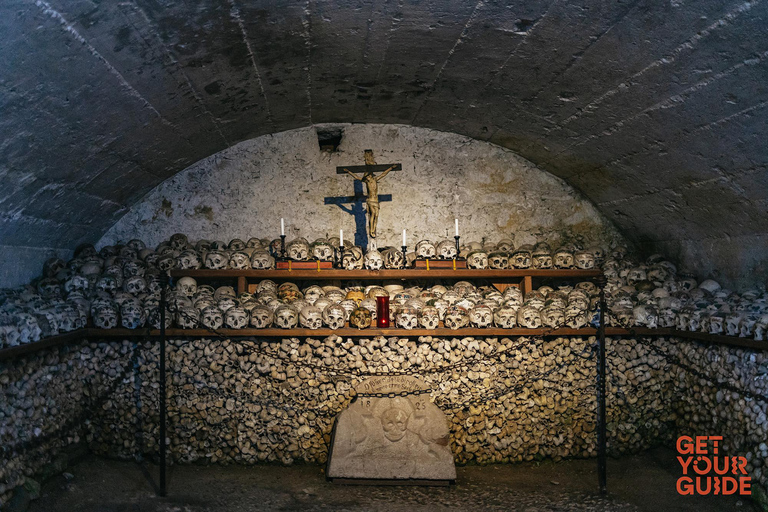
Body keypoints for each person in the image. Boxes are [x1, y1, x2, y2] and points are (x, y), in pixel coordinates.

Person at [342, 150, 394, 239]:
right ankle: (371, 230)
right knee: (372, 214)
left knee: (376, 215)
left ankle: (374, 229)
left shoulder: (375, 180)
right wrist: (348, 171)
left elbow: (384, 174)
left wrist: (391, 168)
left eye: (369, 176)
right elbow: (356, 177)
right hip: (370, 200)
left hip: (376, 200)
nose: (369, 177)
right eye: (367, 177)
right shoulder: (367, 182)